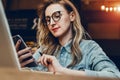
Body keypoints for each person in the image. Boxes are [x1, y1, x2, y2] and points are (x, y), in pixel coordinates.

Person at [15, 0, 120, 78]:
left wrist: (62, 72)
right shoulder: (43, 50)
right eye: (48, 19)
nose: (51, 23)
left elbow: (114, 76)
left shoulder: (89, 48)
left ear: (72, 16)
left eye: (57, 15)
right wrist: (17, 67)